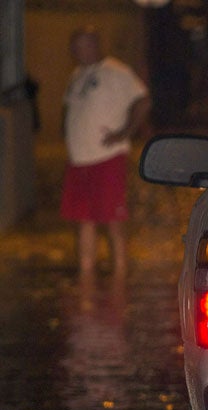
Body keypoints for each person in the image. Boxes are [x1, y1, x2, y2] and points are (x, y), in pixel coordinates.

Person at [60, 27, 150, 277]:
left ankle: (119, 278)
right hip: (79, 160)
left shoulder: (116, 71)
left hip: (107, 158)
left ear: (96, 44)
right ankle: (85, 278)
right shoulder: (77, 74)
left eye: (84, 45)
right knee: (83, 221)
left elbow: (143, 100)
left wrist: (124, 132)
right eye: (75, 47)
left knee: (113, 221)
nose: (80, 52)